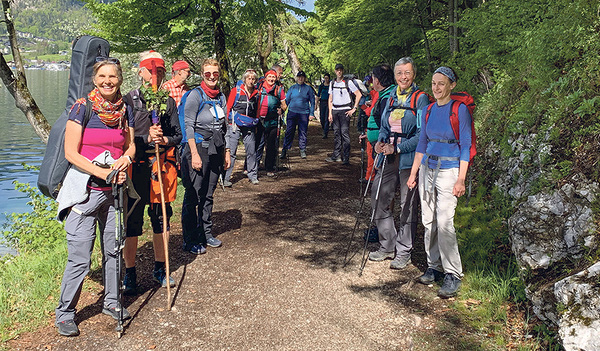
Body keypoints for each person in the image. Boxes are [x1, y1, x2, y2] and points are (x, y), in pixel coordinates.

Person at [54, 58, 136, 337]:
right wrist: (103, 173)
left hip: (114, 195)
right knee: (80, 258)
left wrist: (125, 160)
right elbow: (71, 153)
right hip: (84, 194)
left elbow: (131, 144)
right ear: (94, 78)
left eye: (112, 76)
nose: (107, 81)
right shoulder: (82, 108)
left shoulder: (125, 109)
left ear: (120, 79)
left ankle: (112, 303)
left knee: (113, 250)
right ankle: (65, 313)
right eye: (102, 76)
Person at [407, 66, 472, 298]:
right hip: (427, 168)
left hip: (449, 170)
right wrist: (414, 173)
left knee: (445, 222)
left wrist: (461, 179)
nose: (436, 88)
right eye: (434, 83)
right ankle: (433, 266)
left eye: (441, 83)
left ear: (452, 85)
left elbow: (466, 145)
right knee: (428, 220)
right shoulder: (427, 110)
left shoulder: (459, 110)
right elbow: (422, 144)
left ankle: (453, 273)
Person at [122, 50, 182, 294]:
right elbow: (122, 137)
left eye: (159, 70)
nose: (154, 74)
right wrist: (145, 137)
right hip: (136, 168)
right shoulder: (128, 100)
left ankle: (160, 267)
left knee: (160, 219)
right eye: (150, 69)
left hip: (161, 167)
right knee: (132, 221)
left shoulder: (168, 101)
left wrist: (164, 138)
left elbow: (177, 135)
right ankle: (130, 273)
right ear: (140, 71)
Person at [368, 58, 430, 271]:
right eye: (399, 73)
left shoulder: (421, 99)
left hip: (409, 157)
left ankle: (403, 251)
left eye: (407, 73)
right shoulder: (392, 95)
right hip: (388, 154)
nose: (403, 77)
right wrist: (380, 142)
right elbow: (384, 125)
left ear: (414, 74)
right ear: (395, 75)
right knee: (378, 197)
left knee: (407, 205)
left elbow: (423, 134)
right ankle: (387, 244)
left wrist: (399, 148)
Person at [181, 58, 231, 253]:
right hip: (198, 149)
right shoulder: (195, 95)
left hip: (216, 149)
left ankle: (206, 233)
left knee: (208, 194)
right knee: (193, 194)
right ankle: (190, 239)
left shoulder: (220, 97)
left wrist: (226, 151)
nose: (212, 77)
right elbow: (188, 126)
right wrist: (194, 154)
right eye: (208, 74)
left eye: (215, 74)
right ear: (202, 75)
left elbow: (225, 126)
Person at [224, 69, 260, 186]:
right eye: (249, 78)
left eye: (253, 79)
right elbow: (228, 106)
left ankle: (253, 175)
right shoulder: (236, 91)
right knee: (231, 151)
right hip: (235, 123)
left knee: (251, 150)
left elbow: (257, 109)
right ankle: (226, 177)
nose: (251, 81)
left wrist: (257, 121)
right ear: (244, 79)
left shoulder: (257, 93)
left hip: (249, 124)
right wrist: (227, 122)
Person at [325, 63, 361, 165]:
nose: (339, 72)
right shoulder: (332, 83)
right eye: (337, 70)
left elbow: (358, 94)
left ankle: (346, 157)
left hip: (345, 110)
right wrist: (330, 113)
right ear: (335, 71)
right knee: (336, 133)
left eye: (340, 70)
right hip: (335, 110)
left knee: (344, 133)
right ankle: (336, 155)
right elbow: (330, 99)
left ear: (343, 71)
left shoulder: (348, 82)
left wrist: (354, 108)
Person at [255, 69, 287, 176]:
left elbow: (284, 104)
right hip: (259, 120)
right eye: (269, 77)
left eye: (273, 77)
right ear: (265, 77)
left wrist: (281, 110)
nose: (271, 79)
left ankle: (269, 167)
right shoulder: (259, 87)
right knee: (256, 144)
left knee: (271, 145)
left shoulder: (279, 89)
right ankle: (251, 166)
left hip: (272, 120)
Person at [280, 70, 315, 159]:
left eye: (302, 77)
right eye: (299, 77)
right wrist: (282, 110)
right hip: (292, 112)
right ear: (297, 78)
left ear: (304, 78)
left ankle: (302, 150)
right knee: (289, 131)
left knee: (302, 132)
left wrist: (311, 113)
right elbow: (286, 100)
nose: (300, 78)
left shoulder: (308, 89)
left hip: (304, 113)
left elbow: (312, 101)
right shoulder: (292, 88)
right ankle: (285, 149)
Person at [317, 73, 331, 138]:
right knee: (322, 117)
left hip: (329, 102)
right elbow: (318, 95)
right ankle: (324, 128)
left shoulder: (331, 86)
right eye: (325, 78)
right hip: (322, 102)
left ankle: (325, 133)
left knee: (326, 118)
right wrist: (316, 103)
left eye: (327, 78)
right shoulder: (321, 86)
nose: (326, 79)